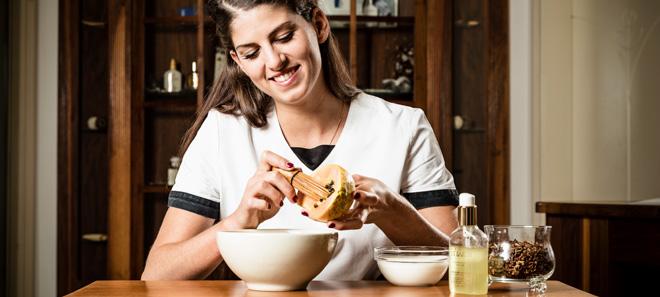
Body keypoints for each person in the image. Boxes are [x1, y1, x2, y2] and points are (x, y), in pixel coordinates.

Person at [141, 0, 459, 281]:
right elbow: (157, 274)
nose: (274, 61)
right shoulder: (222, 132)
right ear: (238, 62)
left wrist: (390, 209)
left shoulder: (403, 127)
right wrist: (240, 221)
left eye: (284, 37)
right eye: (252, 53)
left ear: (319, 25)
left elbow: (461, 263)